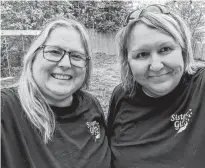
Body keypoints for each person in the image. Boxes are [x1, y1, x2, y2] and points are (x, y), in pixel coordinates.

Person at [1, 18, 111, 168]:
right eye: (54, 51)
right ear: (33, 57)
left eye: (76, 56)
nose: (65, 64)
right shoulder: (6, 108)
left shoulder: (91, 104)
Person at [107, 4, 205, 168]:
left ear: (183, 50)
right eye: (142, 54)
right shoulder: (121, 94)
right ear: (127, 61)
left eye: (165, 49)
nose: (156, 66)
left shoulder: (200, 86)